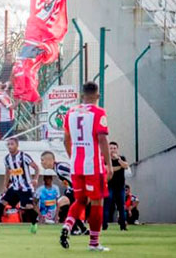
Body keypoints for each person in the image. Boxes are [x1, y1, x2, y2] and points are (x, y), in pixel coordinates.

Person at [59, 82, 113, 252]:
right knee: (97, 201)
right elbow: (102, 138)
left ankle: (67, 227)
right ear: (97, 96)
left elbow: (66, 139)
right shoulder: (99, 112)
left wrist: (72, 156)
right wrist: (109, 165)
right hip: (93, 166)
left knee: (80, 200)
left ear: (82, 95)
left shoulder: (71, 112)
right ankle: (94, 243)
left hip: (76, 165)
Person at [0, 137, 40, 234]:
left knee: (28, 207)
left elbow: (36, 168)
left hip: (25, 187)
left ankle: (34, 222)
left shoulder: (24, 156)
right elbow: (7, 172)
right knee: (2, 203)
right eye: (8, 144)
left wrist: (35, 179)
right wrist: (5, 185)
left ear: (17, 145)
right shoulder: (6, 158)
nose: (10, 146)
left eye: (12, 144)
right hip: (14, 187)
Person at [104, 141, 131, 231]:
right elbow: (107, 168)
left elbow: (126, 166)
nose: (113, 150)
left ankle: (123, 226)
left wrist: (118, 160)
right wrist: (120, 167)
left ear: (117, 149)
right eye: (111, 148)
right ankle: (104, 225)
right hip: (109, 186)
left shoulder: (122, 158)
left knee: (121, 207)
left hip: (120, 187)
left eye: (114, 148)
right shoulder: (106, 158)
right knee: (107, 206)